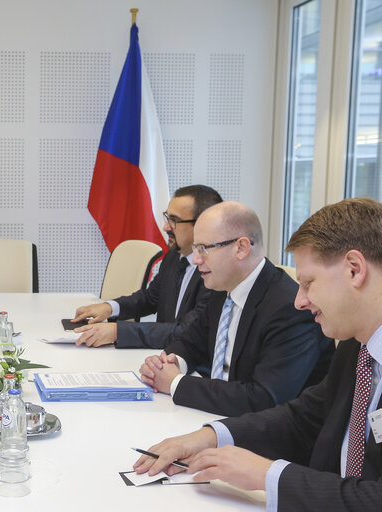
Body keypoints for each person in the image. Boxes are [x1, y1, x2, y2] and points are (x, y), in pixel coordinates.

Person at [134, 198, 382, 511]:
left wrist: (268, 475)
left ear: (355, 270)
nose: (300, 301)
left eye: (308, 283)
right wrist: (211, 436)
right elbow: (303, 417)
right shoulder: (357, 348)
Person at [138, 201, 333, 416]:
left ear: (241, 248)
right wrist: (172, 362)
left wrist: (175, 383)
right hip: (219, 417)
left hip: (268, 439)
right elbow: (191, 342)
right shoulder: (223, 288)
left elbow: (263, 399)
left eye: (203, 249)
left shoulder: (290, 308)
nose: (195, 259)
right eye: (195, 249)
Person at [73, 185, 222, 349]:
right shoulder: (174, 256)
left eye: (174, 221)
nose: (165, 227)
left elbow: (187, 330)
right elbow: (151, 298)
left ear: (202, 224)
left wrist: (117, 332)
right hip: (162, 357)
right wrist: (109, 307)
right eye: (167, 218)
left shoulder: (217, 272)